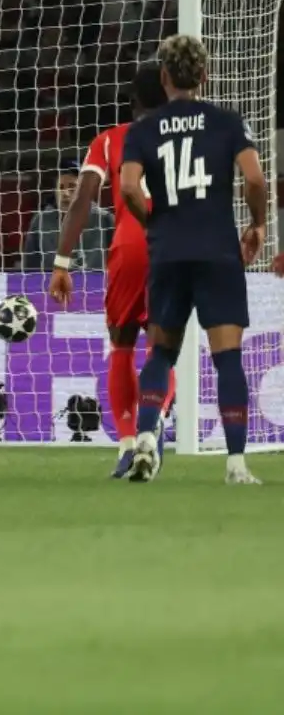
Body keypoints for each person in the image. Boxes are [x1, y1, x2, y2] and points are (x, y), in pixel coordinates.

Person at [118, 35, 268, 484]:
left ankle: (146, 437)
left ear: (163, 77)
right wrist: (257, 225)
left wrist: (153, 220)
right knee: (227, 359)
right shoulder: (226, 123)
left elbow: (128, 188)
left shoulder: (143, 130)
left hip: (167, 253)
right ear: (204, 76)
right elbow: (256, 179)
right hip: (218, 252)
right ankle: (236, 464)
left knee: (161, 352)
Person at [49, 62, 172, 478]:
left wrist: (61, 262)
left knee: (121, 346)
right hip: (174, 245)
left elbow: (83, 198)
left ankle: (124, 443)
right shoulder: (190, 139)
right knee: (161, 348)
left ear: (133, 99)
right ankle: (149, 435)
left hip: (128, 247)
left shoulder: (110, 140)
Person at [20, 158, 113, 273]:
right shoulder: (40, 221)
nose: (65, 193)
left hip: (96, 287)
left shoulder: (104, 219)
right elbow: (29, 268)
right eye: (61, 187)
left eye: (72, 187)